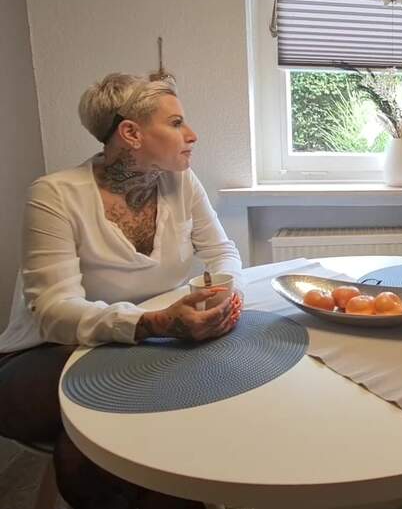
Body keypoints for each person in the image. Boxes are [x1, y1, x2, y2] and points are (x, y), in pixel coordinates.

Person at [0, 71, 244, 509]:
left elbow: (221, 251)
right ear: (131, 133)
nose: (192, 135)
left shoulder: (182, 182)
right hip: (46, 355)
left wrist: (224, 293)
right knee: (134, 419)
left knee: (132, 424)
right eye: (176, 123)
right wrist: (153, 323)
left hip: (145, 349)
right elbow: (54, 312)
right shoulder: (54, 195)